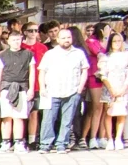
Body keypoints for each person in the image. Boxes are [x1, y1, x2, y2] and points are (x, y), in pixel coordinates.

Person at [38, 25, 90, 153]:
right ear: (58, 39)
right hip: (52, 91)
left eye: (68, 37)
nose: (66, 40)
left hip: (72, 91)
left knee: (67, 120)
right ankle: (45, 144)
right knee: (48, 120)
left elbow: (84, 70)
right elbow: (42, 71)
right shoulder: (50, 54)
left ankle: (62, 144)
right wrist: (42, 88)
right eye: (63, 38)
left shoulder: (78, 53)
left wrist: (80, 88)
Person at [0, 30, 34, 152]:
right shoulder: (2, 55)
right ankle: (6, 142)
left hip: (22, 87)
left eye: (18, 39)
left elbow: (32, 72)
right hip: (6, 87)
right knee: (6, 116)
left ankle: (19, 142)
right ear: (8, 41)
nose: (16, 42)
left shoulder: (28, 54)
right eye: (13, 40)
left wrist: (31, 89)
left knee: (19, 116)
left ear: (22, 40)